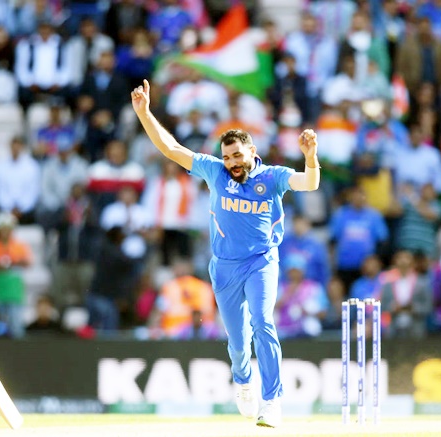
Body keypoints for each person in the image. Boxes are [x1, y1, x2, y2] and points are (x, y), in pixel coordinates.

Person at [130, 79, 321, 428]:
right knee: (237, 342)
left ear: (252, 152)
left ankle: (272, 401)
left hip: (262, 261)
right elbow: (171, 148)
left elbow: (309, 183)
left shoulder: (273, 176)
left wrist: (310, 157)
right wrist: (145, 114)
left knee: (263, 322)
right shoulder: (214, 170)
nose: (232, 162)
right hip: (224, 268)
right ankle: (243, 380)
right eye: (227, 156)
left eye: (237, 155)